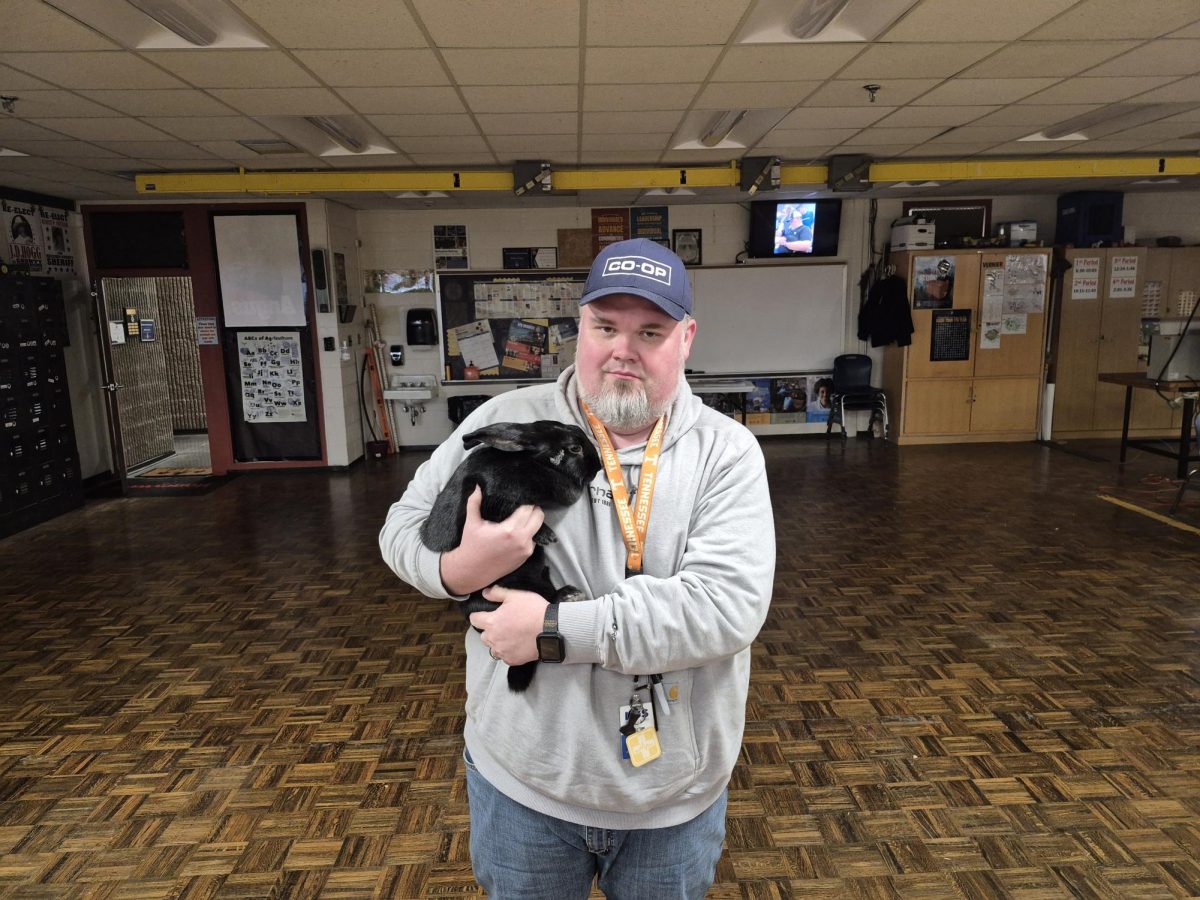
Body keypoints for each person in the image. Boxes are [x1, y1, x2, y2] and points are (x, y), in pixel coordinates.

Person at [379, 238, 775, 899]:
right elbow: (399, 530)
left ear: (686, 339)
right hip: (525, 791)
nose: (624, 349)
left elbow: (725, 607)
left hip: (670, 801)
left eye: (650, 331)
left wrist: (555, 630)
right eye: (605, 327)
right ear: (579, 330)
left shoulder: (725, 455)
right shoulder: (504, 419)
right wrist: (453, 568)